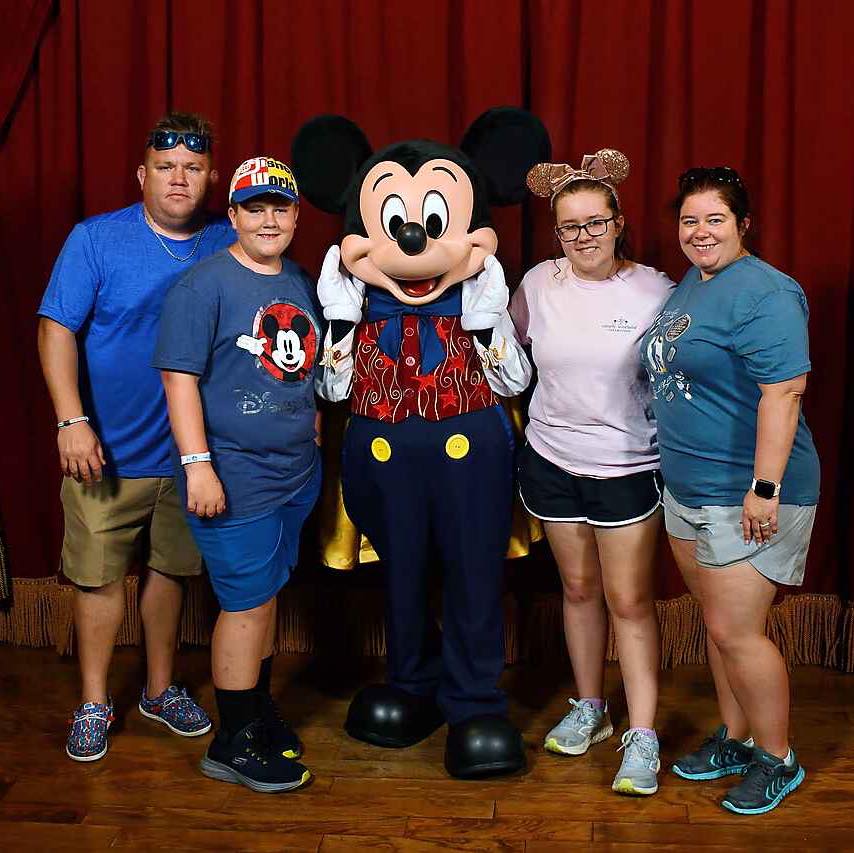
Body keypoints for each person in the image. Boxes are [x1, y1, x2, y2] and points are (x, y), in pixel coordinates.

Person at [37, 112, 233, 762]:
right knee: (97, 581)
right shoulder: (96, 240)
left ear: (210, 178)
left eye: (194, 168)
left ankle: (158, 687)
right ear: (143, 175)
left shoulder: (224, 240)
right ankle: (94, 700)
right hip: (105, 451)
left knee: (171, 571)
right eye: (167, 167)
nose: (180, 178)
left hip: (191, 456)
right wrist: (71, 418)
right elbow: (56, 330)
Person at [641, 166, 820, 814]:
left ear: (743, 224)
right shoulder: (696, 279)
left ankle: (780, 757)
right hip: (689, 485)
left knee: (736, 628)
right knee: (718, 627)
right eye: (689, 220)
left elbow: (785, 391)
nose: (700, 231)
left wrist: (764, 487)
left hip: (748, 489)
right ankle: (739, 737)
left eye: (715, 219)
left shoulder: (768, 292)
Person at [154, 156, 321, 793]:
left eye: (281, 207)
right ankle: (231, 741)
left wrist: (308, 431)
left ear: (296, 215)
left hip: (295, 471)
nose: (269, 219)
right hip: (233, 473)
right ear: (233, 217)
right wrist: (199, 467)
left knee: (266, 597)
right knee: (246, 605)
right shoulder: (204, 286)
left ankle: (256, 713)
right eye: (255, 208)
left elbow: (300, 363)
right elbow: (179, 379)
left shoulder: (300, 278)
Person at [514, 151, 674, 795]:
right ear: (556, 233)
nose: (582, 236)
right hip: (551, 458)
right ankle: (592, 708)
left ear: (618, 222)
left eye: (594, 223)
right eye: (568, 226)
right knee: (578, 591)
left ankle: (644, 734)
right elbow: (508, 361)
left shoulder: (655, 290)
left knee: (630, 600)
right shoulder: (536, 284)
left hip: (628, 467)